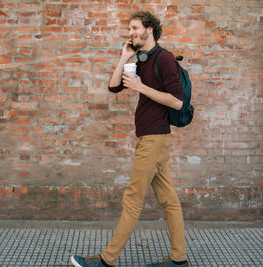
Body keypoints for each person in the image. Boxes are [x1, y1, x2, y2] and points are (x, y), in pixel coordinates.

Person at [71, 11, 189, 267]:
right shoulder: (142, 59)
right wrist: (125, 56)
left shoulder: (165, 59)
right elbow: (114, 86)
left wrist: (140, 87)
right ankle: (179, 261)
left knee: (133, 199)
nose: (130, 33)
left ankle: (106, 261)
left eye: (135, 28)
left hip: (154, 140)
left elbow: (178, 102)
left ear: (150, 29)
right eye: (129, 29)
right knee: (169, 200)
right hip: (151, 139)